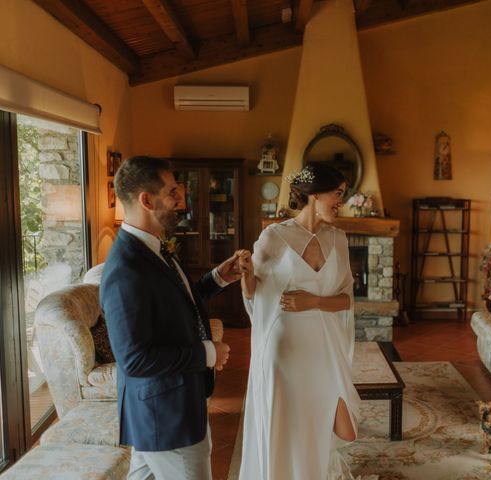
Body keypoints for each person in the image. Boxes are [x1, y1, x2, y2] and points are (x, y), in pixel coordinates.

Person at [100, 156, 239, 480]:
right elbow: (134, 360)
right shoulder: (126, 270)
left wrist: (219, 277)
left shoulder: (155, 248)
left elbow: (178, 303)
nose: (181, 199)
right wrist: (208, 352)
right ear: (147, 200)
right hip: (165, 417)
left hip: (172, 407)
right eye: (173, 191)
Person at [237, 162, 365, 480]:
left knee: (345, 428)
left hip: (323, 344)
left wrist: (315, 302)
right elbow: (254, 295)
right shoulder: (274, 236)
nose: (341, 201)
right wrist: (245, 275)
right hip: (285, 348)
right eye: (337, 193)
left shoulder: (338, 239)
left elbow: (347, 299)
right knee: (287, 424)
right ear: (314, 193)